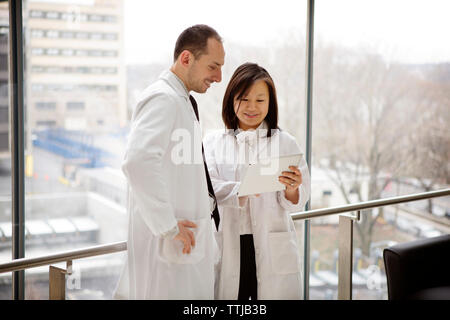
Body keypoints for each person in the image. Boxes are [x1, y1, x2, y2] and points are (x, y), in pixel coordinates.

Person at [114, 25, 225, 299]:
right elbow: (137, 162)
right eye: (213, 66)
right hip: (168, 250)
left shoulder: (181, 101)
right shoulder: (163, 98)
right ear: (186, 58)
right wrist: (167, 225)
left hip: (183, 247)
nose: (219, 77)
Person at [203, 62, 310, 300]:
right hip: (229, 245)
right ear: (231, 99)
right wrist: (241, 190)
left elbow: (297, 202)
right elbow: (208, 189)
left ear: (270, 104)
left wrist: (293, 188)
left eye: (260, 100)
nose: (252, 107)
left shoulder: (285, 143)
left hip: (272, 246)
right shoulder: (212, 142)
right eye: (244, 99)